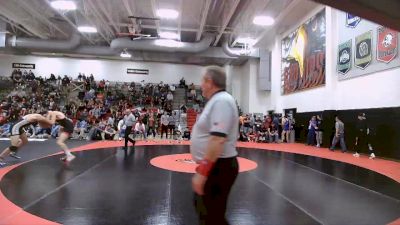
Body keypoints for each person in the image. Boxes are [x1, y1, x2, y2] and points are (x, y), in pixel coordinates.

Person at [191, 66, 239, 225]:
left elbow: (218, 139)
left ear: (209, 82)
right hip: (216, 165)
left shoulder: (222, 101)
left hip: (219, 166)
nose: (200, 85)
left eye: (202, 81)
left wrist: (203, 172)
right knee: (208, 212)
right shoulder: (217, 101)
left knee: (211, 215)